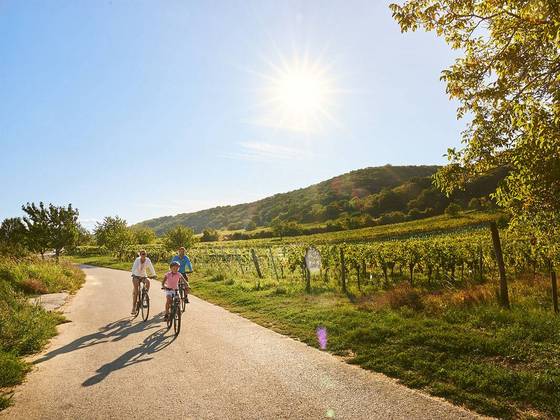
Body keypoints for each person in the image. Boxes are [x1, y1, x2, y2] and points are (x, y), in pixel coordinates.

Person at [131, 250, 157, 315]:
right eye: (142, 254)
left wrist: (154, 274)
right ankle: (133, 308)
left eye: (145, 254)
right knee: (136, 292)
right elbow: (134, 267)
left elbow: (151, 267)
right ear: (140, 255)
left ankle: (145, 295)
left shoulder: (148, 260)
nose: (143, 255)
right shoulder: (137, 260)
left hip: (143, 276)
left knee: (148, 282)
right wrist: (133, 274)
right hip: (136, 276)